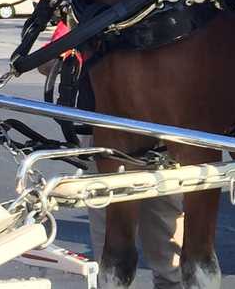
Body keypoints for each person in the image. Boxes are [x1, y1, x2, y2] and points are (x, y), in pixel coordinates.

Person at [45, 20, 186, 289]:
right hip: (103, 132)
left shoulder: (163, 12)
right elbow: (47, 61)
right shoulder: (85, 13)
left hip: (157, 134)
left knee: (164, 224)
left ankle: (169, 281)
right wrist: (74, 52)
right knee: (109, 229)